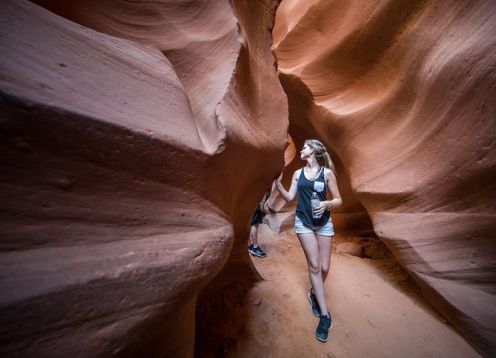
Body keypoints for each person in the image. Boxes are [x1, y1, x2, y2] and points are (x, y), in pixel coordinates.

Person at [274, 139, 342, 343]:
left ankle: (314, 293)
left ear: (313, 151)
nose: (301, 149)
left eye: (304, 147)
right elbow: (289, 197)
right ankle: (325, 316)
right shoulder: (297, 174)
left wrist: (327, 203)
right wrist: (277, 184)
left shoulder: (327, 173)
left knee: (324, 267)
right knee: (314, 266)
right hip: (303, 222)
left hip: (324, 223)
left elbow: (339, 199)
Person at [248, 189, 272, 258]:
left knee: (247, 222)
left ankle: (249, 245)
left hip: (244, 200)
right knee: (255, 224)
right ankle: (255, 248)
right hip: (253, 200)